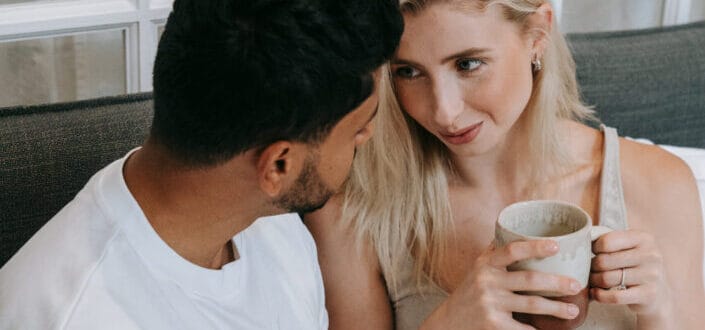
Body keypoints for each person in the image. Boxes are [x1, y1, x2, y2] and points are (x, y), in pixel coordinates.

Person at [0, 0, 402, 328]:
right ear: (278, 165)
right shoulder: (77, 314)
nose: (366, 138)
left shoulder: (269, 220)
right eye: (357, 129)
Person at [305, 0, 705, 329]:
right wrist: (448, 323)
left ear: (537, 33)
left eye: (467, 64)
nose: (444, 111)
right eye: (408, 72)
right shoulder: (353, 206)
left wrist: (662, 313)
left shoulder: (660, 184)